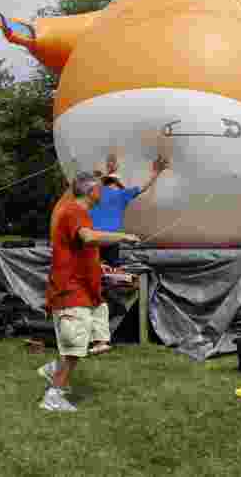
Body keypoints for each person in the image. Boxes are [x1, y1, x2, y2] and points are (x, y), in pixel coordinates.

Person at [38, 172, 140, 412]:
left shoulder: (80, 213)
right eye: (101, 190)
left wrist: (101, 268)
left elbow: (81, 249)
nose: (103, 193)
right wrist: (122, 236)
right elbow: (88, 238)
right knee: (74, 347)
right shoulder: (74, 212)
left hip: (85, 289)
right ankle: (53, 397)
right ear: (91, 192)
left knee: (83, 342)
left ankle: (54, 369)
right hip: (70, 290)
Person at [91, 154, 168, 265]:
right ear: (119, 184)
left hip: (93, 238)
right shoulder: (122, 194)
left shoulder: (95, 193)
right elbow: (143, 187)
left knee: (92, 270)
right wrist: (156, 172)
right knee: (112, 272)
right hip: (110, 240)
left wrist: (109, 169)